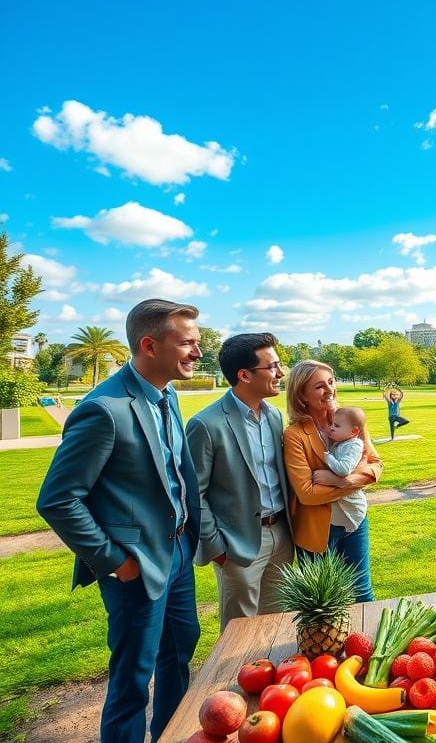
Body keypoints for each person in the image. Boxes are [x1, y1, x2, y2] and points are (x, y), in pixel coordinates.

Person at [36, 299, 203, 743]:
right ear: (149, 345)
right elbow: (57, 500)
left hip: (178, 553)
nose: (197, 353)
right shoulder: (103, 409)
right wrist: (113, 561)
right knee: (132, 680)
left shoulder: (168, 396)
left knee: (178, 656)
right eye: (187, 343)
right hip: (134, 566)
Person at [185, 333, 293, 633]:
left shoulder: (274, 416)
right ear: (244, 375)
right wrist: (217, 547)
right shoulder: (206, 425)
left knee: (279, 623)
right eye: (272, 367)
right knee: (240, 630)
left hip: (282, 535)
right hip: (237, 545)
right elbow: (194, 494)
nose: (280, 373)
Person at [283, 361, 382, 602]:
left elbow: (376, 465)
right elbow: (307, 493)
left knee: (362, 593)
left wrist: (341, 481)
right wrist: (356, 480)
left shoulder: (350, 419)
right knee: (322, 601)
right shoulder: (294, 435)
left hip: (355, 519)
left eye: (331, 381)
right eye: (319, 386)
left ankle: (367, 641)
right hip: (316, 529)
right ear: (301, 395)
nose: (329, 390)